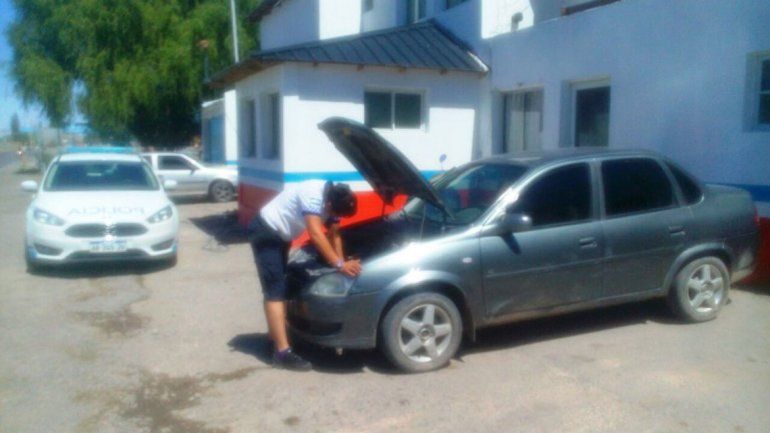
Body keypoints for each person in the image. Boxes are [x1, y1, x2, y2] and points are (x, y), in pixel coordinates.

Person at [249, 180, 362, 371]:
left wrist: (340, 264)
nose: (334, 217)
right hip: (266, 231)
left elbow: (334, 233)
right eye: (334, 213)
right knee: (275, 291)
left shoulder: (334, 196)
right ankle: (281, 354)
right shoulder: (313, 194)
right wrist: (340, 264)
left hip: (281, 235)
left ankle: (275, 337)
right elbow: (316, 234)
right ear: (328, 205)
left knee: (281, 286)